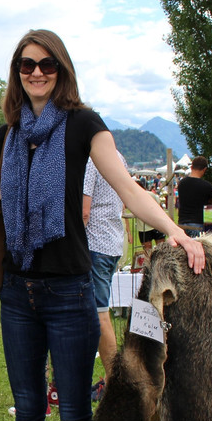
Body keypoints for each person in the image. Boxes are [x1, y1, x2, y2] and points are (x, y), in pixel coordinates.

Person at [0, 29, 204, 421]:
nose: (36, 72)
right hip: (17, 292)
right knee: (28, 411)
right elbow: (3, 212)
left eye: (47, 64)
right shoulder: (6, 134)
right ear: (16, 72)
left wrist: (175, 231)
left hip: (69, 292)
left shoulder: (82, 124)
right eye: (26, 64)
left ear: (62, 70)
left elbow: (128, 189)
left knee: (73, 414)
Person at [83, 153, 127, 379]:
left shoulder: (91, 158)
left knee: (99, 315)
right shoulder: (117, 156)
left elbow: (84, 210)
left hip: (95, 244)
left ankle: (116, 383)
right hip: (111, 242)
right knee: (97, 312)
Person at [177, 155, 212, 237]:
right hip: (198, 225)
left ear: (191, 167)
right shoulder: (207, 186)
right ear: (204, 169)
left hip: (182, 224)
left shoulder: (181, 183)